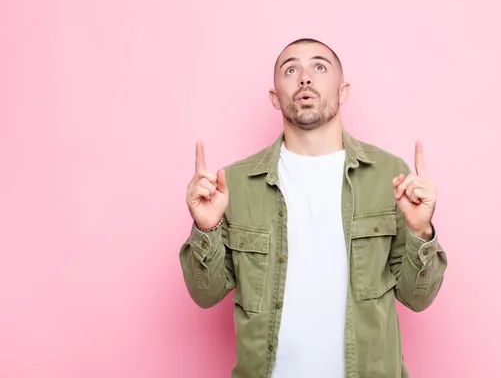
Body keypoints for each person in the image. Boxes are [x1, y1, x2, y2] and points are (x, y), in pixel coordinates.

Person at [179, 38, 448, 378]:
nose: (305, 78)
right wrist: (206, 228)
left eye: (319, 67)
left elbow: (417, 298)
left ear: (343, 90)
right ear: (275, 97)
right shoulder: (233, 182)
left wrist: (420, 231)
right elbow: (205, 295)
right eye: (291, 70)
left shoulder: (389, 176)